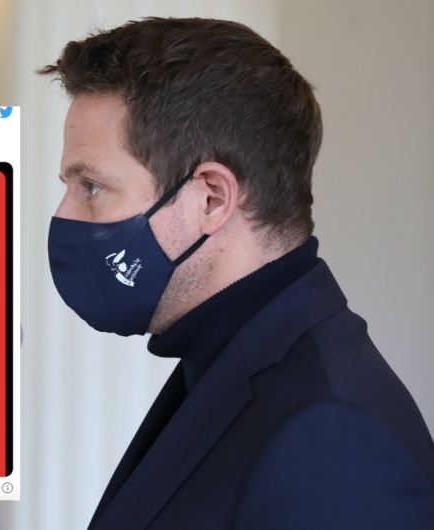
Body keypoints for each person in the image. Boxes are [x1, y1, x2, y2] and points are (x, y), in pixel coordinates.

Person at [39, 17, 434, 529]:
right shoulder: (229, 364)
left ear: (211, 198)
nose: (63, 215)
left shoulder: (332, 437)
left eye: (90, 187)